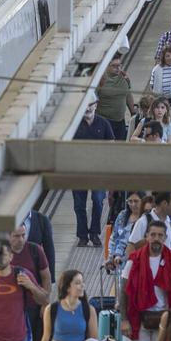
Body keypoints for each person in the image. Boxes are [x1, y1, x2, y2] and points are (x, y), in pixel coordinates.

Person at [72, 93, 115, 247]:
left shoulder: (103, 124)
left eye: (91, 104)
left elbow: (111, 147)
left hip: (99, 171)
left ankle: (95, 233)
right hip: (78, 172)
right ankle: (82, 235)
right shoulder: (74, 125)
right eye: (85, 104)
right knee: (79, 205)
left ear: (96, 105)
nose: (88, 107)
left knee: (98, 201)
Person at [97, 55, 137, 140]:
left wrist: (133, 112)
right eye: (114, 66)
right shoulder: (100, 79)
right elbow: (92, 99)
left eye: (119, 65)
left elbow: (128, 94)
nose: (118, 68)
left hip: (120, 121)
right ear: (106, 66)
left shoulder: (123, 77)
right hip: (104, 120)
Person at [107, 190, 145, 270]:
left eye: (136, 201)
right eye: (130, 201)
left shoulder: (146, 219)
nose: (133, 204)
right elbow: (114, 237)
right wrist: (111, 258)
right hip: (120, 263)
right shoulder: (122, 215)